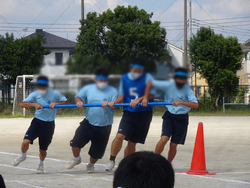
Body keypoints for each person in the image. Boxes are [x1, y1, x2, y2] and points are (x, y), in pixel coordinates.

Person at [105, 58, 155, 171]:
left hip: (144, 113)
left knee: (132, 142)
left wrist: (140, 99)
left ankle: (126, 166)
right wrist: (114, 103)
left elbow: (152, 93)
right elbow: (121, 96)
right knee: (120, 136)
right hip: (129, 112)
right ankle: (111, 160)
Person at [11, 76, 69, 173]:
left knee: (43, 149)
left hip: (49, 124)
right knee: (26, 141)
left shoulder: (55, 93)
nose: (41, 88)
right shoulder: (35, 94)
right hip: (37, 122)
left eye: (43, 86)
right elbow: (22, 104)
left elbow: (66, 102)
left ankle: (40, 163)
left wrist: (57, 103)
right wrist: (34, 104)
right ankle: (22, 155)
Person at [65, 68, 118, 173]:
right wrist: (79, 101)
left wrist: (110, 104)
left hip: (104, 125)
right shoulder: (88, 88)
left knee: (96, 152)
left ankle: (91, 165)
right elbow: (78, 97)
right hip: (88, 122)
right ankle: (76, 158)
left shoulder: (113, 90)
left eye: (103, 79)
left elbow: (117, 107)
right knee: (75, 142)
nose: (101, 82)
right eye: (99, 79)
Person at [142, 67, 198, 162]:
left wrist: (181, 102)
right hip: (170, 116)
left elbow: (196, 105)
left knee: (173, 144)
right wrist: (145, 98)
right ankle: (154, 161)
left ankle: (168, 164)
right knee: (164, 139)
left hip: (182, 118)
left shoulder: (187, 90)